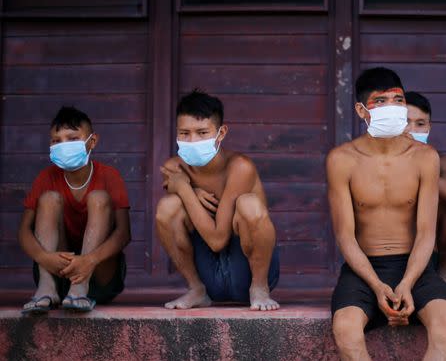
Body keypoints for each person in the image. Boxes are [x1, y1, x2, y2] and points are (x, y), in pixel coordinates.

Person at [327, 67, 446, 361]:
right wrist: (377, 286)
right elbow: (345, 236)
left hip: (416, 267)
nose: (393, 107)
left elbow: (427, 232)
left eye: (398, 99)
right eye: (381, 101)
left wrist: (407, 283)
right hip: (363, 271)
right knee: (346, 331)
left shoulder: (425, 158)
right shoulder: (341, 160)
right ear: (362, 111)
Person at [156, 90, 280, 311]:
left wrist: (184, 189)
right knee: (168, 207)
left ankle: (260, 289)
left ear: (221, 133)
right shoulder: (175, 167)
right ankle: (196, 290)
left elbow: (218, 240)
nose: (192, 140)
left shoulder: (240, 167)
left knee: (248, 204)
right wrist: (190, 191)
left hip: (246, 270)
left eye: (202, 132)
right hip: (208, 273)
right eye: (184, 133)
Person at [18, 106, 131, 314]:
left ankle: (79, 289)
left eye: (72, 138)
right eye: (56, 141)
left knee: (99, 197)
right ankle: (46, 289)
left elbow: (124, 233)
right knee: (49, 198)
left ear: (92, 141)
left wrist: (89, 261)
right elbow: (24, 231)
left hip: (100, 276)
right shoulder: (46, 177)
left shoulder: (109, 175)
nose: (64, 145)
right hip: (56, 272)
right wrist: (44, 257)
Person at [405, 91, 446, 288]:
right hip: (390, 254)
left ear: (429, 128)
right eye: (406, 122)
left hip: (432, 253)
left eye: (420, 124)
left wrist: (417, 166)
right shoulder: (377, 161)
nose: (411, 130)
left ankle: (443, 279)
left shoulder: (441, 161)